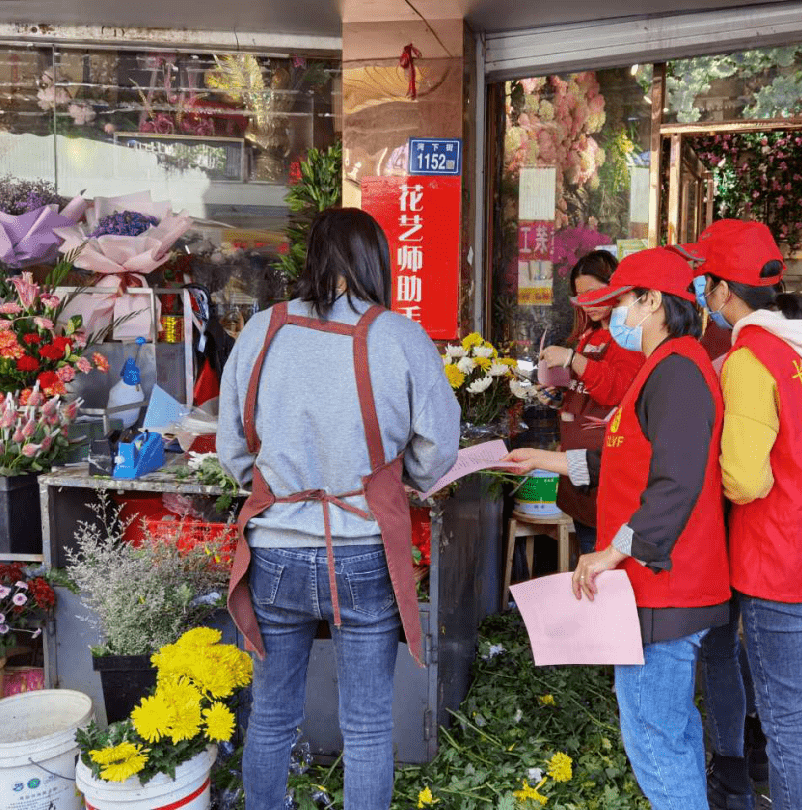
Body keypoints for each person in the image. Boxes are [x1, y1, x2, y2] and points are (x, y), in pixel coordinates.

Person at [217, 208, 460, 810]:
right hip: (361, 551)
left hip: (272, 552)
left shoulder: (261, 331)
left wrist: (277, 483)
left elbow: (232, 450)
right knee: (370, 725)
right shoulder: (400, 337)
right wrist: (403, 479)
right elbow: (439, 450)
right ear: (376, 262)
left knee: (270, 715)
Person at [506, 247, 731, 810]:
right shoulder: (669, 365)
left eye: (626, 304)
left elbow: (675, 482)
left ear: (654, 302)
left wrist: (612, 552)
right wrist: (546, 459)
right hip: (665, 581)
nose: (619, 319)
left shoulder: (677, 371)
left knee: (655, 740)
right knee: (669, 733)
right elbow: (629, 460)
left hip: (666, 583)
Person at [682, 219, 802, 810]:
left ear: (722, 292)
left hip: (781, 568)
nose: (702, 294)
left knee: (789, 724)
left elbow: (744, 480)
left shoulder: (750, 358)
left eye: (704, 283)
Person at [537, 250, 644, 553]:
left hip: (604, 471)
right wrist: (560, 400)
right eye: (579, 295)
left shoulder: (630, 340)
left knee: (602, 563)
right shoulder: (588, 335)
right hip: (578, 473)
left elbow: (615, 390)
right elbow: (587, 391)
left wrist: (572, 358)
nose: (587, 301)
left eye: (594, 292)